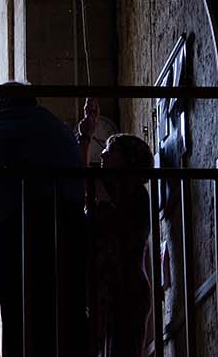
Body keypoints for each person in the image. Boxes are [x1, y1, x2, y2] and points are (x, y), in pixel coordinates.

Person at [0, 84, 88, 357]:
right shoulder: (58, 128)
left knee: (19, 323)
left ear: (0, 104)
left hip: (19, 238)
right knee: (64, 320)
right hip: (66, 236)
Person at [77, 98, 153, 357]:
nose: (105, 153)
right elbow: (81, 179)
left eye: (112, 148)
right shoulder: (107, 191)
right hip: (103, 293)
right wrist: (86, 133)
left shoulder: (135, 197)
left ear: (127, 160)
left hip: (124, 292)